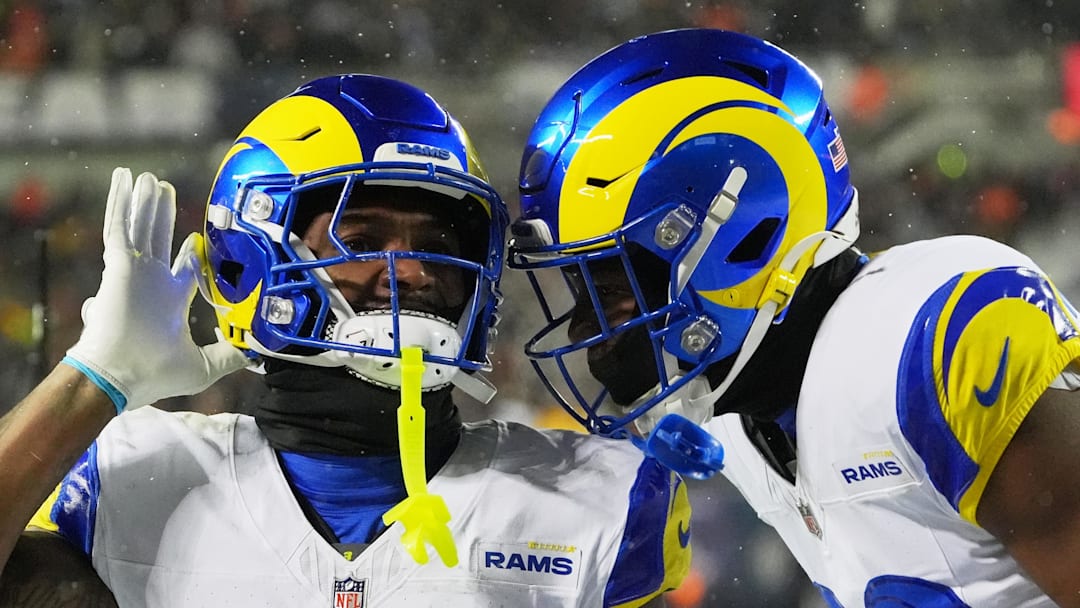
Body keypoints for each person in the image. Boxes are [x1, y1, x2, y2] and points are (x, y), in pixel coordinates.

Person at [0, 73, 691, 607]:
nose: (415, 271)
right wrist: (92, 378)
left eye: (438, 244)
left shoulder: (596, 501)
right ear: (252, 259)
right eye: (362, 242)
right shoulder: (132, 479)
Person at [507, 28, 1080, 607]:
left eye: (611, 284)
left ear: (740, 238)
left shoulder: (935, 338)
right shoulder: (734, 416)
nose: (587, 330)